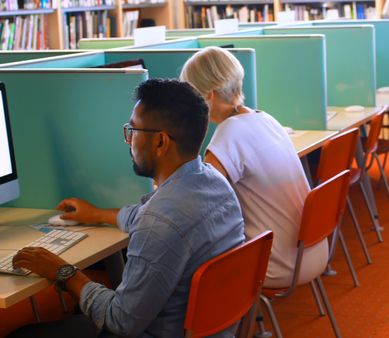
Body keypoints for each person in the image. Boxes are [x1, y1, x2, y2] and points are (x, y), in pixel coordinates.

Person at [10, 79, 245, 337]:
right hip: (212, 330)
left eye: (133, 130)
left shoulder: (159, 222)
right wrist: (97, 214)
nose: (128, 141)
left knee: (22, 334)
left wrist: (64, 272)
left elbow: (120, 321)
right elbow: (153, 219)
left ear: (160, 142)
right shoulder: (216, 184)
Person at [180, 46, 328, 288]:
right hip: (311, 250)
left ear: (211, 95)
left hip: (277, 264)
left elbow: (196, 202)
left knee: (186, 257)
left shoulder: (228, 135)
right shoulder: (266, 118)